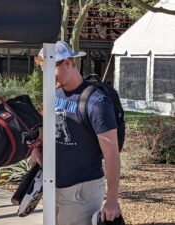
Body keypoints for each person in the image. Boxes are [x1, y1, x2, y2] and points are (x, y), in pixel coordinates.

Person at [31, 41, 121, 225]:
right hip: (53, 187)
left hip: (82, 192)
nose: (46, 76)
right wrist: (37, 148)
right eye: (43, 69)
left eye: (50, 68)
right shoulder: (54, 93)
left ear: (68, 63)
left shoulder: (97, 102)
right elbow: (49, 128)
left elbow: (111, 153)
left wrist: (111, 200)